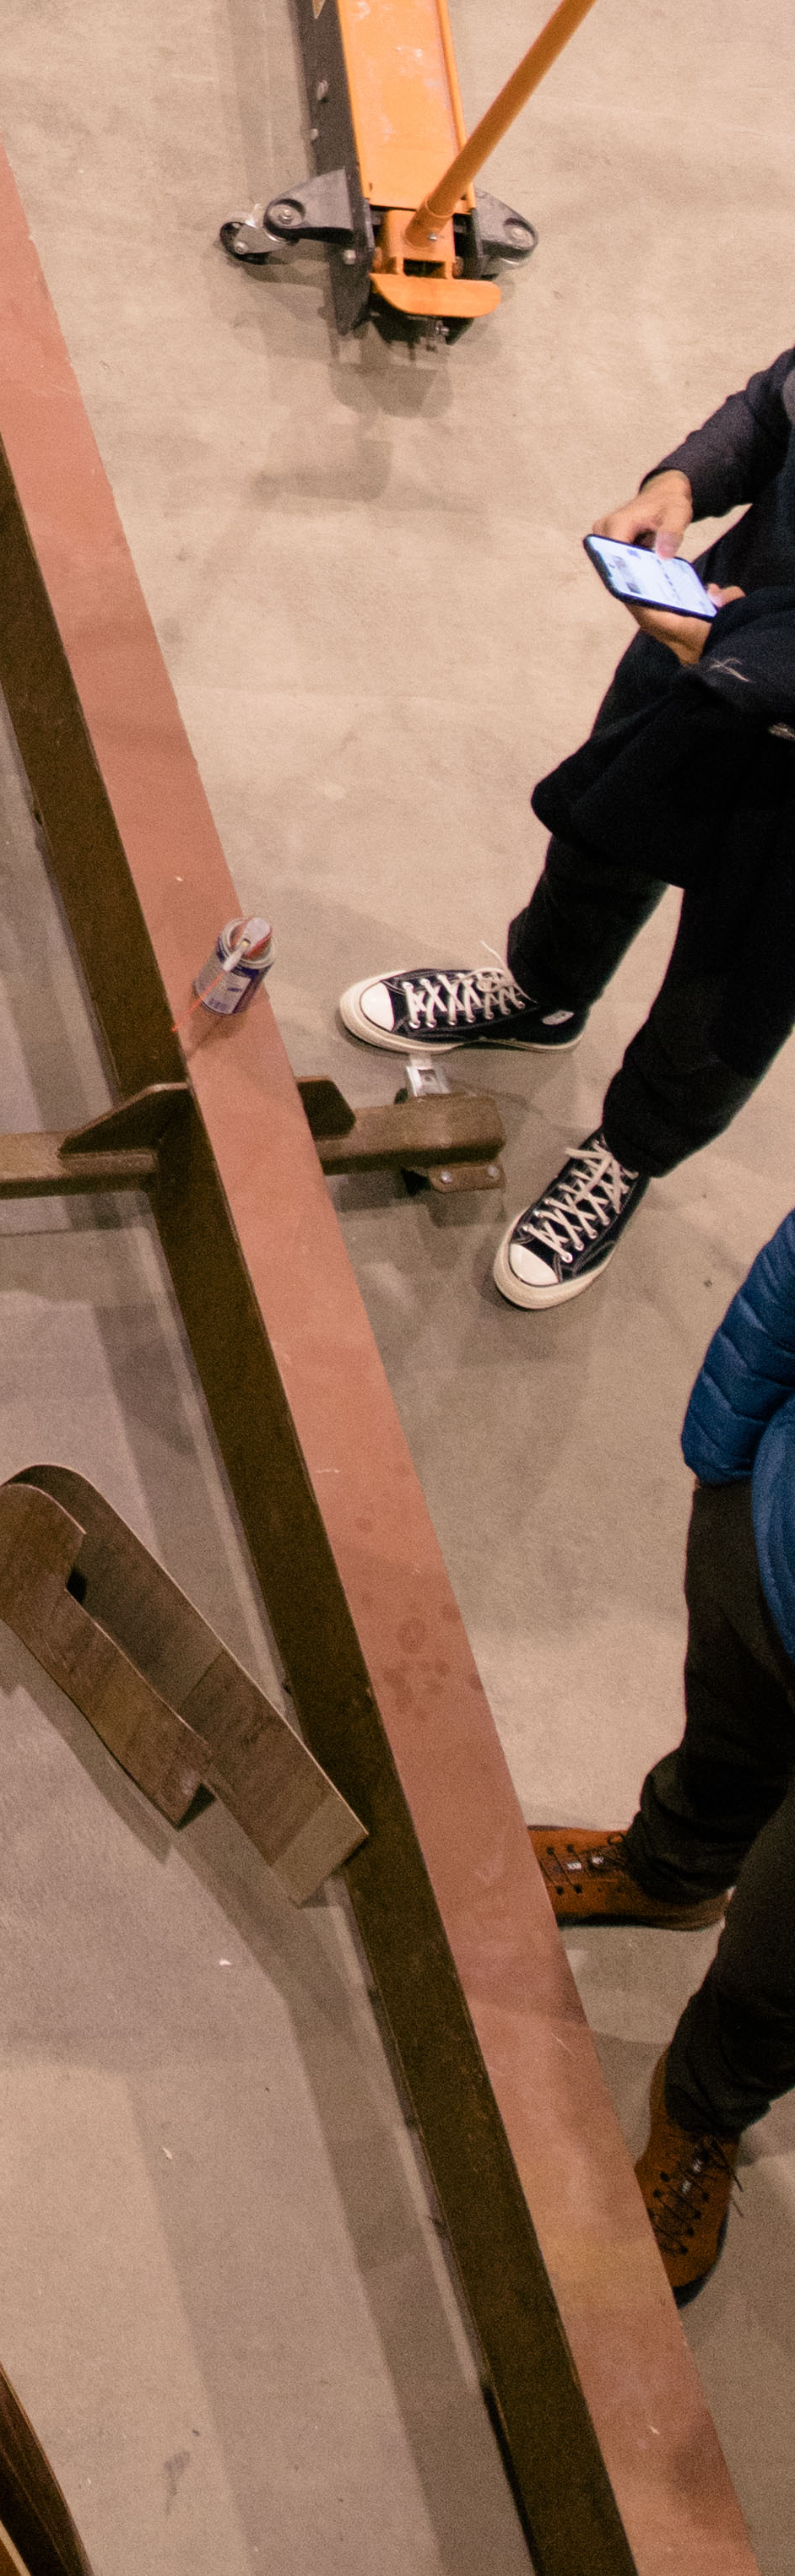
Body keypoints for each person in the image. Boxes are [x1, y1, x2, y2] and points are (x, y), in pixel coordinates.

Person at [343, 355, 795, 1308]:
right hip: (707, 656)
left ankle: (629, 1152)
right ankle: (540, 995)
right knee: (599, 842)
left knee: (723, 993)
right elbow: (771, 407)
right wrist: (680, 482)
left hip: (755, 698)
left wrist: (732, 652)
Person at [531, 1190, 795, 2299]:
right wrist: (728, 1455)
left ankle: (703, 2109)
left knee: (786, 1954)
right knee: (723, 1742)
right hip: (778, 1547)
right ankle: (668, 1872)